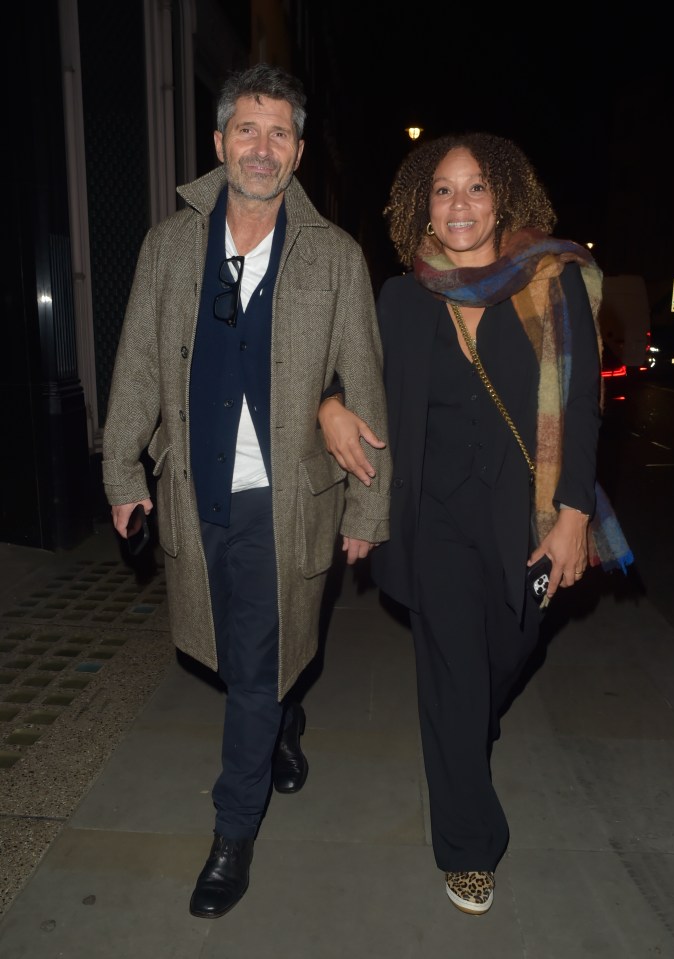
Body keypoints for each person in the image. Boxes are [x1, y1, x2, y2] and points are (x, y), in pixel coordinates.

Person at [102, 63, 391, 919]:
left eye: (279, 134)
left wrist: (369, 506)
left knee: (257, 662)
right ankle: (283, 723)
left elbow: (361, 381)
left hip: (288, 499)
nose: (261, 148)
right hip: (194, 492)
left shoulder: (335, 255)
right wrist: (123, 471)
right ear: (220, 141)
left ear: (297, 153)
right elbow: (140, 368)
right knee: (233, 652)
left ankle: (233, 830)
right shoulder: (167, 246)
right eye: (246, 129)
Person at [318, 132, 633, 915]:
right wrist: (327, 403)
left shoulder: (550, 285)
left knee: (512, 646)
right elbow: (342, 368)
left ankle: (466, 726)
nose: (459, 205)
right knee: (454, 673)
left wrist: (570, 517)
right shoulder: (398, 297)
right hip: (431, 518)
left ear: (504, 200)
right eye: (443, 191)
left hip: (519, 513)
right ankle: (467, 845)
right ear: (421, 204)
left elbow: (583, 407)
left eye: (476, 189)